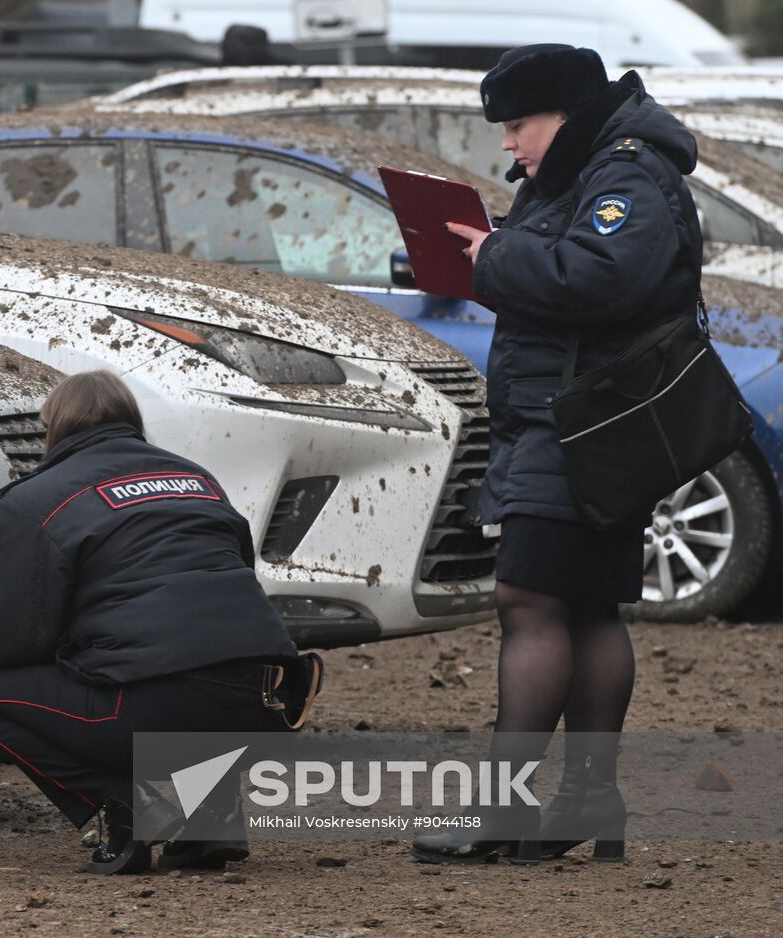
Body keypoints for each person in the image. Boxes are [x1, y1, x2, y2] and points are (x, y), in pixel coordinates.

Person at [412, 44, 703, 863]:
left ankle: (504, 811)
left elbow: (598, 277)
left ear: (567, 113)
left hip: (579, 422)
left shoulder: (625, 174)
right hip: (577, 417)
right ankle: (588, 798)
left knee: (529, 600)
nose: (508, 144)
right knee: (584, 606)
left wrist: (497, 256)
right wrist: (487, 249)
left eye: (518, 125)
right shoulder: (584, 172)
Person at [0, 371, 316, 875]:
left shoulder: (34, 500)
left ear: (52, 426)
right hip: (262, 710)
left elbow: (10, 643)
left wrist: (70, 648)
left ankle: (128, 809)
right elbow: (235, 592)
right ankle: (211, 822)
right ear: (132, 419)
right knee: (200, 663)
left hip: (152, 715)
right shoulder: (198, 479)